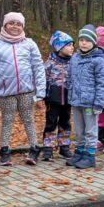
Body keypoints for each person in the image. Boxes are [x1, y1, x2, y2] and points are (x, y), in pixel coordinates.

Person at [0, 12, 47, 166]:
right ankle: (4, 150)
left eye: (18, 24)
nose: (15, 26)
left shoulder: (29, 44)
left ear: (23, 26)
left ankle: (34, 148)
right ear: (5, 25)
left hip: (26, 91)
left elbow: (38, 67)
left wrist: (40, 91)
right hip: (6, 92)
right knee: (7, 120)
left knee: (28, 119)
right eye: (11, 23)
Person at [68, 25, 104, 169]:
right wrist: (70, 96)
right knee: (79, 130)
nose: (83, 43)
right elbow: (70, 79)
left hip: (90, 104)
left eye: (87, 40)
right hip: (76, 101)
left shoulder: (98, 60)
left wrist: (99, 103)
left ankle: (90, 155)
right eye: (81, 40)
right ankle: (79, 152)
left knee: (90, 130)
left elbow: (102, 84)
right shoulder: (75, 58)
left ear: (94, 42)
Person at [42, 31, 75, 162]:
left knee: (65, 123)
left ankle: (64, 147)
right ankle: (48, 148)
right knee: (51, 124)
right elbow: (42, 80)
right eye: (69, 45)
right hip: (53, 99)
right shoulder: (49, 63)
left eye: (73, 45)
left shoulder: (73, 63)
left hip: (68, 99)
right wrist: (41, 96)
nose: (72, 47)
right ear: (59, 47)